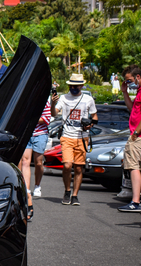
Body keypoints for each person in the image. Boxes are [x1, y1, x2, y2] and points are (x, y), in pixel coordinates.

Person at [51, 73, 98, 206]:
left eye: (76, 86)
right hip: (67, 136)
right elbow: (54, 113)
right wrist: (53, 103)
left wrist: (90, 124)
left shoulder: (88, 99)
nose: (73, 88)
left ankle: (75, 195)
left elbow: (95, 117)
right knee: (67, 165)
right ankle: (67, 190)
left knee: (78, 168)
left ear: (82, 86)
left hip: (82, 137)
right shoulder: (64, 98)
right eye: (71, 85)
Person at [118, 65, 141, 212]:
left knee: (133, 166)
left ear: (138, 77)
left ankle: (135, 201)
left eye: (129, 80)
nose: (128, 83)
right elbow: (132, 109)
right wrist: (125, 92)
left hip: (140, 136)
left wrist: (136, 132)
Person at [18, 99, 52, 220]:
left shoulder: (44, 101)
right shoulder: (25, 100)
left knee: (38, 162)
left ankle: (37, 185)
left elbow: (46, 119)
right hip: (27, 133)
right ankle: (27, 192)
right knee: (25, 161)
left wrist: (29, 119)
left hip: (40, 134)